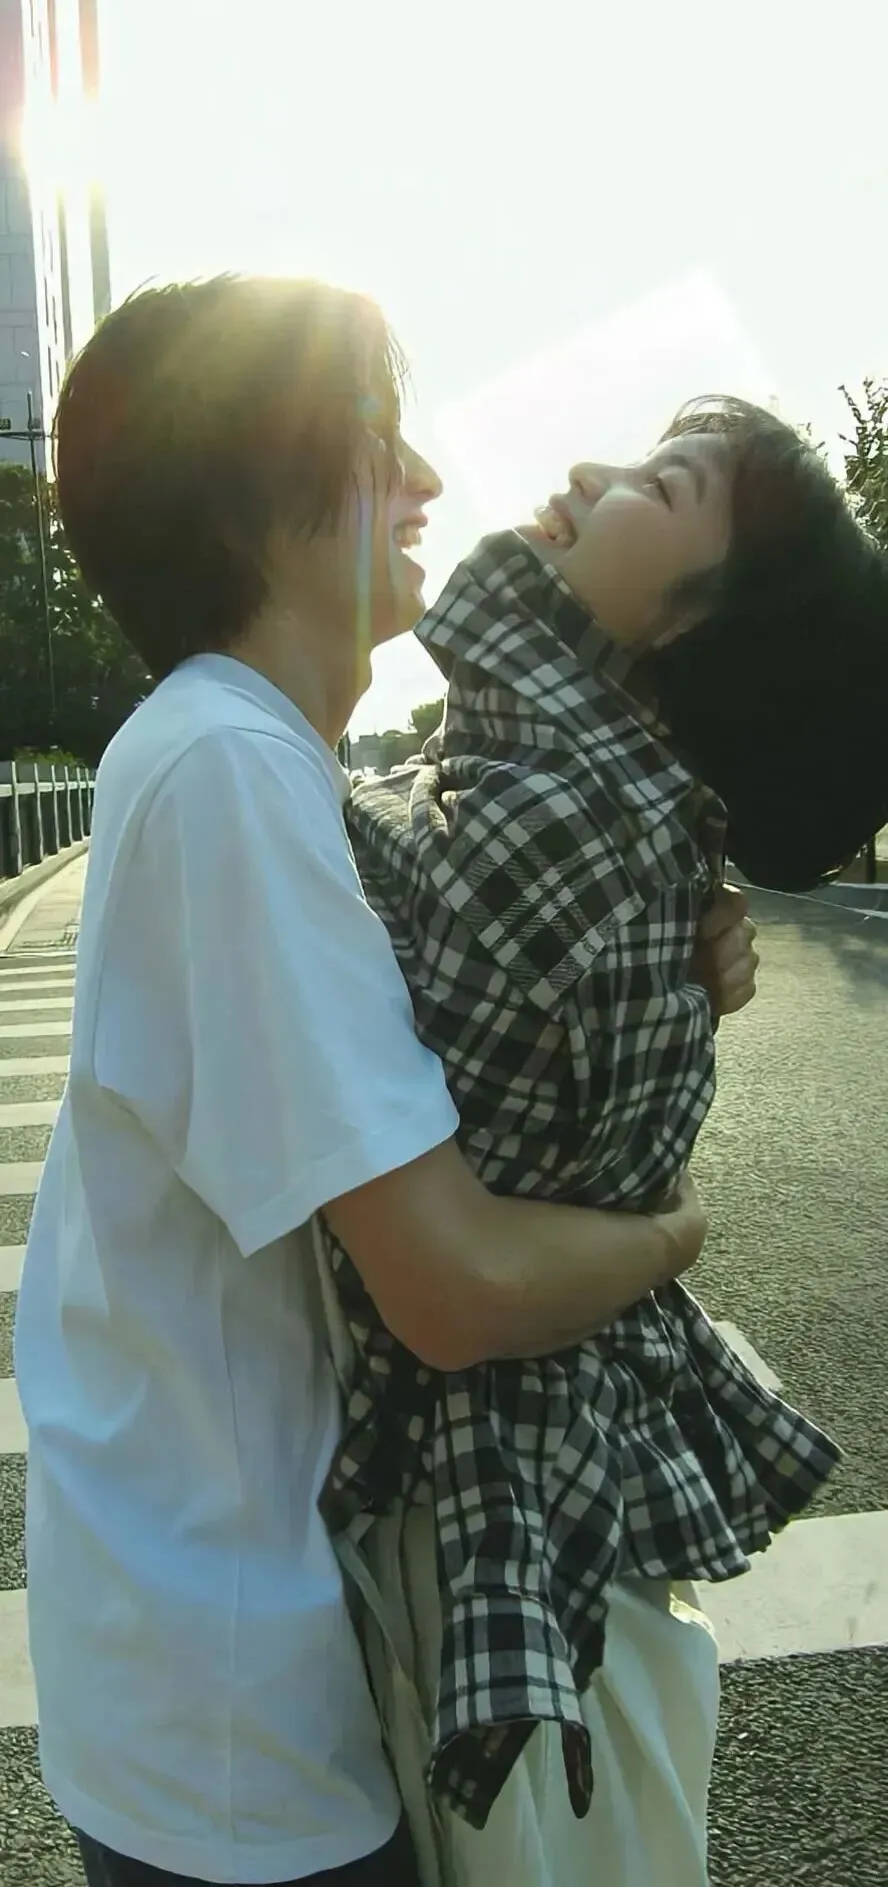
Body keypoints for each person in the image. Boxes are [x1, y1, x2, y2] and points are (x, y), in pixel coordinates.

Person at [12, 276, 752, 1887]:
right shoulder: (226, 768)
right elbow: (455, 1285)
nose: (425, 479)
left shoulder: (247, 758)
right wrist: (677, 1231)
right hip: (239, 1701)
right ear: (247, 497)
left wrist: (663, 948)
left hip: (229, 1637)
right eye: (374, 440)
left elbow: (461, 991)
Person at [318, 398, 888, 1886]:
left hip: (501, 1514)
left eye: (661, 481)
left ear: (691, 632)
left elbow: (316, 858)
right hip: (558, 1477)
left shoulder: (577, 819)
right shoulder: (594, 802)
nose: (589, 471)